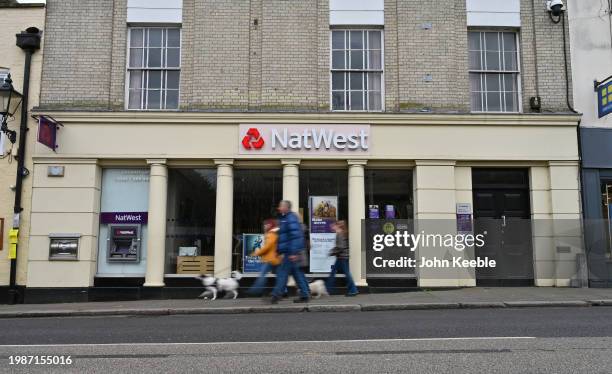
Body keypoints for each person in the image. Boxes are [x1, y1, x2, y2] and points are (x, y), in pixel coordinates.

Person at [270, 200, 310, 304]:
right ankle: (305, 294)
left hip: (290, 252)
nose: (279, 208)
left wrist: (293, 252)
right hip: (290, 252)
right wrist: (279, 250)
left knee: (282, 273)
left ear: (286, 207)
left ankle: (276, 295)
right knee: (298, 274)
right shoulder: (284, 218)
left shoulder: (290, 218)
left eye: (280, 206)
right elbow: (284, 236)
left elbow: (295, 236)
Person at [247, 219, 281, 296]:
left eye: (266, 225)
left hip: (270, 259)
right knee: (279, 276)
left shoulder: (271, 234)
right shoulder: (272, 234)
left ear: (269, 226)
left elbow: (267, 247)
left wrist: (256, 253)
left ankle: (255, 292)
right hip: (274, 259)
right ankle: (282, 291)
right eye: (264, 225)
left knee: (262, 275)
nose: (264, 226)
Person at [326, 220, 358, 297]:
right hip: (342, 256)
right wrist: (334, 251)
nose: (331, 227)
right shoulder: (342, 233)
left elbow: (340, 247)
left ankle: (353, 290)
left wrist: (332, 252)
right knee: (334, 273)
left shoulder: (339, 234)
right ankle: (328, 289)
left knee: (345, 274)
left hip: (342, 257)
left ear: (337, 226)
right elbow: (341, 246)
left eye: (332, 226)